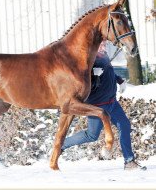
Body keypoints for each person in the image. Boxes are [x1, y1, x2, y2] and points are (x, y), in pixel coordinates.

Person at [61, 41, 147, 170]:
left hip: (112, 103)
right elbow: (79, 79)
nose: (104, 45)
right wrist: (92, 75)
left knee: (124, 125)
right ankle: (61, 144)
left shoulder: (104, 56)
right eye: (101, 43)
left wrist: (119, 80)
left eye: (105, 43)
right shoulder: (88, 58)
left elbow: (108, 71)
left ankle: (129, 161)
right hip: (98, 106)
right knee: (92, 135)